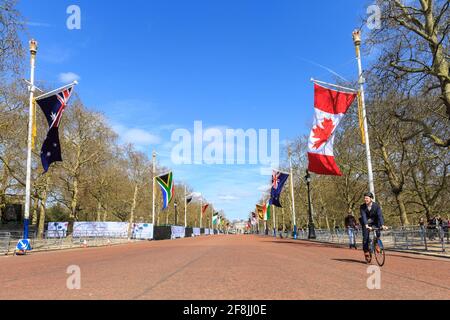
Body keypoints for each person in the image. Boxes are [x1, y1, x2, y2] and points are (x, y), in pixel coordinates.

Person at [359, 192, 387, 260]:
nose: (365, 199)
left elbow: (380, 215)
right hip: (366, 223)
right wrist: (366, 225)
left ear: (371, 198)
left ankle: (377, 244)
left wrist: (383, 225)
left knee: (378, 232)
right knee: (365, 238)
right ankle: (366, 251)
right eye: (365, 198)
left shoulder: (376, 206)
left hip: (375, 222)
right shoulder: (362, 207)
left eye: (367, 198)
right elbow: (364, 216)